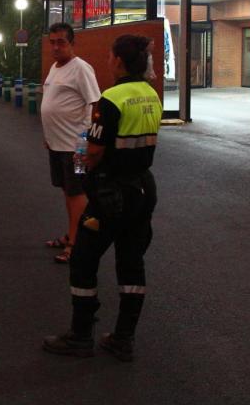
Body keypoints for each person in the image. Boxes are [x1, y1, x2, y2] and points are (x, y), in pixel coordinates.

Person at [43, 34, 161, 361]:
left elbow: (94, 151)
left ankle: (81, 335)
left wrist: (82, 164)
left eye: (110, 57)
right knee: (131, 262)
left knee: (83, 260)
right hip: (143, 189)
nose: (107, 61)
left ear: (119, 62)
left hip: (112, 193)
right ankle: (123, 337)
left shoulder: (111, 99)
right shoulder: (150, 94)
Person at [39, 22, 100, 264]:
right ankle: (70, 234)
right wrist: (49, 136)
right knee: (67, 191)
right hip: (57, 145)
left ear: (72, 43)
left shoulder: (81, 69)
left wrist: (85, 142)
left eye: (61, 42)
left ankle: (76, 244)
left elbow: (94, 103)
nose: (55, 47)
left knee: (77, 194)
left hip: (75, 147)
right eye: (52, 42)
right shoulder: (55, 67)